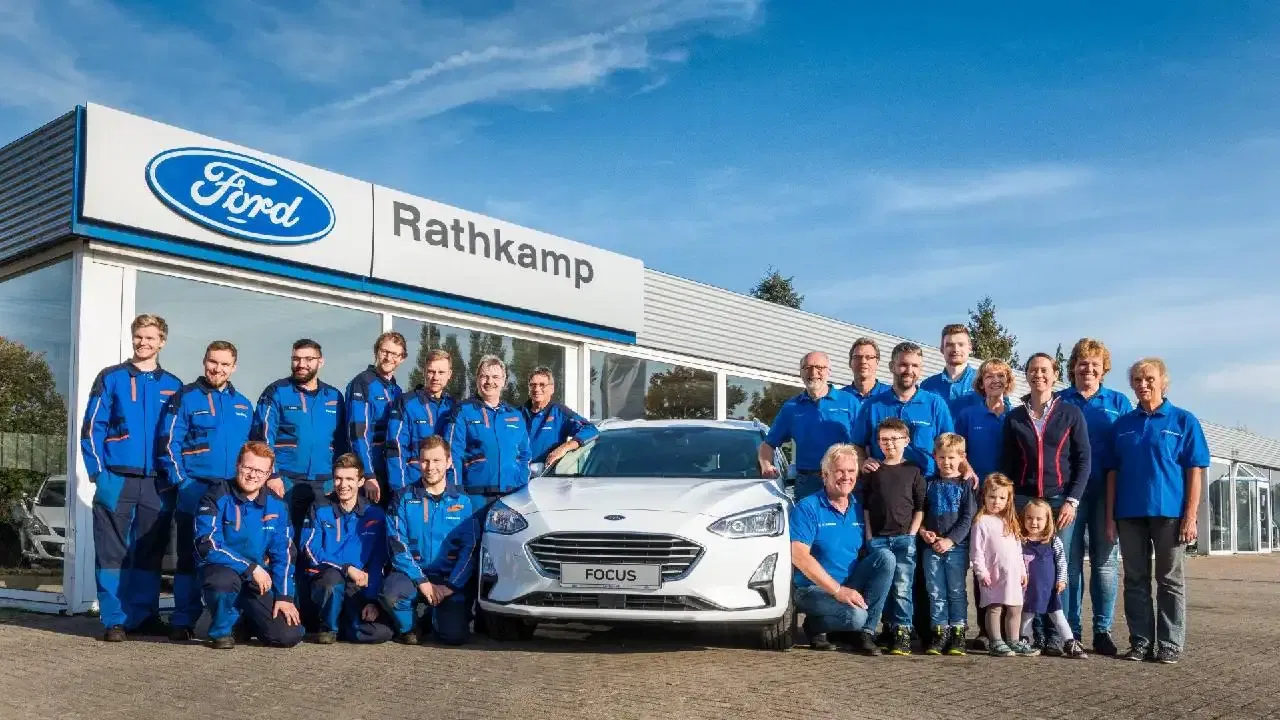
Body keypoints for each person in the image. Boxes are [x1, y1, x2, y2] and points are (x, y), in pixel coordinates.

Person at [80, 313, 183, 642]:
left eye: (150, 337)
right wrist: (98, 473)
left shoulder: (174, 386)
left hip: (157, 483)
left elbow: (180, 435)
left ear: (162, 342)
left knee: (149, 551)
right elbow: (92, 427)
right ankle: (115, 620)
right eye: (139, 336)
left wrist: (175, 478)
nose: (143, 342)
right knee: (112, 552)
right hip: (117, 478)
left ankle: (144, 615)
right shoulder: (111, 377)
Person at [1106, 358, 1208, 665]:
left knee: (1169, 581)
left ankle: (1169, 643)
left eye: (1149, 378)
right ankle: (1140, 641)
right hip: (1129, 514)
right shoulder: (1122, 425)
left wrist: (1190, 516)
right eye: (1137, 380)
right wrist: (1110, 517)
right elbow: (1112, 473)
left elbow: (1195, 471)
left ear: (1163, 381)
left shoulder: (1183, 421)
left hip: (1169, 515)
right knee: (1135, 580)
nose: (1143, 384)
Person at [156, 340, 254, 642]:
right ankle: (183, 619)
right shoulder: (185, 397)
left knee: (230, 555)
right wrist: (182, 482)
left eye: (225, 364)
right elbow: (168, 442)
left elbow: (252, 452)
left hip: (232, 494)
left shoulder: (243, 405)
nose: (218, 369)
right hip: (195, 489)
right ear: (204, 362)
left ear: (234, 367)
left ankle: (230, 621)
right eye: (213, 362)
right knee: (190, 556)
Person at [999, 351, 1090, 654]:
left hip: (1059, 500)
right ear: (1026, 375)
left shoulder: (1071, 413)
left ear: (1055, 375)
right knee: (1026, 567)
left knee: (1056, 567)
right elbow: (1007, 463)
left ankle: (1056, 635)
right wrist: (1010, 504)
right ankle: (1030, 633)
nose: (1039, 375)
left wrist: (1072, 501)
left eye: (1044, 370)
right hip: (1024, 501)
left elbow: (1083, 460)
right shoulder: (1015, 417)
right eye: (1033, 370)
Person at [1055, 338, 1132, 656]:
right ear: (1073, 367)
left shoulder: (1118, 402)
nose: (1088, 369)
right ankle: (1070, 630)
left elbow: (1127, 448)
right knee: (1068, 564)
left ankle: (1102, 631)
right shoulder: (1059, 401)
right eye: (1082, 363)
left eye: (1095, 364)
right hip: (1068, 494)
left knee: (1105, 563)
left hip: (1106, 493)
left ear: (1104, 369)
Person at [194, 441, 303, 650]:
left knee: (288, 635)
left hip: (258, 579)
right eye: (248, 468)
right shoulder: (216, 495)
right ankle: (222, 630)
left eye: (260, 471)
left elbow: (284, 553)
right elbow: (207, 545)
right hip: (224, 571)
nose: (253, 475)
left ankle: (248, 620)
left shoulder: (277, 505)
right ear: (238, 465)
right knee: (222, 582)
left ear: (269, 474)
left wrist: (284, 596)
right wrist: (250, 567)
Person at [789, 443, 894, 656]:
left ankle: (865, 633)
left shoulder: (859, 508)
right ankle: (815, 626)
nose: (846, 477)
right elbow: (798, 555)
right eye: (839, 471)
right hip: (813, 589)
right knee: (855, 617)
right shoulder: (808, 507)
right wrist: (837, 591)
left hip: (849, 583)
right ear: (825, 475)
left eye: (851, 471)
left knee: (886, 558)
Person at [382, 436, 478, 645]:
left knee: (454, 637)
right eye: (425, 461)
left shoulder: (463, 501)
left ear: (449, 462)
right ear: (418, 462)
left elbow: (469, 550)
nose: (430, 467)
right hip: (411, 575)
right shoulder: (402, 498)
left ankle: (433, 618)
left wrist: (451, 585)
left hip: (447, 579)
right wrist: (421, 581)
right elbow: (396, 545)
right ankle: (411, 627)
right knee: (392, 594)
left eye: (436, 460)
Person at [252, 338, 346, 533]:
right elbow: (262, 437)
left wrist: (337, 478)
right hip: (285, 481)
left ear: (321, 362)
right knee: (284, 537)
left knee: (321, 538)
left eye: (308, 359)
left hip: (325, 483)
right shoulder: (276, 392)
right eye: (296, 359)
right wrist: (272, 475)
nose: (301, 364)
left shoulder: (334, 396)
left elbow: (343, 442)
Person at [298, 453, 393, 645]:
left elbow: (379, 559)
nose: (343, 484)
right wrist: (346, 568)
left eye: (349, 479)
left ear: (361, 481)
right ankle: (328, 627)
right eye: (338, 478)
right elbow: (308, 549)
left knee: (381, 633)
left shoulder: (375, 514)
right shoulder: (319, 508)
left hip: (358, 585)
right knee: (332, 582)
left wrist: (372, 600)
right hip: (326, 579)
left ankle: (346, 626)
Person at [858, 417, 926, 656]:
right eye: (884, 440)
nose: (889, 444)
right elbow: (867, 507)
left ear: (906, 440)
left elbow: (920, 507)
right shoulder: (874, 472)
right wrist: (869, 536)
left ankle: (903, 632)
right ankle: (887, 629)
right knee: (883, 588)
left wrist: (911, 535)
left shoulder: (913, 470)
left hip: (903, 539)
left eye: (895, 439)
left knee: (902, 587)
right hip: (878, 539)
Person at [757, 351, 860, 501]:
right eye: (808, 368)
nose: (813, 372)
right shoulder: (792, 407)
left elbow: (865, 441)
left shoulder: (849, 402)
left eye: (820, 368)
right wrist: (766, 465)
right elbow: (768, 445)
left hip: (844, 480)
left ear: (829, 371)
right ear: (801, 372)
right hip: (808, 484)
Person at [853, 342, 955, 477]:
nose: (909, 370)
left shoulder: (935, 404)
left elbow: (951, 446)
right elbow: (856, 445)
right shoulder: (872, 406)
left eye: (915, 366)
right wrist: (863, 461)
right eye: (903, 365)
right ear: (891, 367)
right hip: (883, 483)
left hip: (926, 484)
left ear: (920, 369)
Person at [919, 433, 976, 656]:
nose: (947, 462)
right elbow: (921, 512)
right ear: (935, 457)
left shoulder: (966, 484)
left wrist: (950, 540)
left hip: (956, 547)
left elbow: (967, 518)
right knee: (935, 591)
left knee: (956, 590)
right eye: (942, 457)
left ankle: (958, 631)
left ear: (962, 457)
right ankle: (939, 631)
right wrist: (923, 531)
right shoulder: (928, 483)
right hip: (931, 547)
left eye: (952, 457)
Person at [970, 473, 1033, 657]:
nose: (996, 502)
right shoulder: (981, 522)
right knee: (995, 607)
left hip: (1012, 575)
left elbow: (1018, 550)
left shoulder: (1010, 521)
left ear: (1008, 499)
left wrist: (1022, 571)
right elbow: (976, 551)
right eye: (992, 497)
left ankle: (1013, 640)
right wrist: (981, 572)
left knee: (1015, 607)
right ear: (984, 496)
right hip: (993, 575)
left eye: (1002, 498)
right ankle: (995, 641)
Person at [344, 331, 407, 506]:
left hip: (390, 471)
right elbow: (358, 433)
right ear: (376, 351)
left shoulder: (396, 390)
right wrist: (368, 474)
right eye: (384, 351)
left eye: (395, 354)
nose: (388, 358)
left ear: (402, 358)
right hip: (371, 472)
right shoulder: (363, 383)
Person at [385, 348, 458, 499]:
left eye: (441, 372)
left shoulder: (454, 407)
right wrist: (400, 489)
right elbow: (395, 447)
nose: (435, 377)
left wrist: (454, 488)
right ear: (424, 372)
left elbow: (456, 452)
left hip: (444, 488)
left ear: (449, 374)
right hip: (413, 485)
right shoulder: (406, 403)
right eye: (431, 371)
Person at [1020, 499, 1087, 658]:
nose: (1034, 522)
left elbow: (1062, 562)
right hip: (1028, 589)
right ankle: (1025, 641)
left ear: (1047, 520)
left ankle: (1070, 642)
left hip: (1049, 589)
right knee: (1026, 616)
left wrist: (1062, 580)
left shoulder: (1053, 541)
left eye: (1039, 519)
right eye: (1029, 518)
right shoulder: (1020, 541)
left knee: (1058, 616)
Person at [521, 366, 598, 466]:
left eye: (542, 385)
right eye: (533, 385)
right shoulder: (517, 414)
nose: (537, 389)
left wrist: (565, 448)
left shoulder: (560, 413)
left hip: (545, 473)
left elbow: (590, 429)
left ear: (551, 389)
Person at [954, 358, 1014, 483]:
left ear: (1007, 382)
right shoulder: (967, 415)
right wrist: (968, 470)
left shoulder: (1016, 416)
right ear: (981, 383)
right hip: (975, 486)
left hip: (1006, 489)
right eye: (989, 376)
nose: (996, 380)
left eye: (1001, 376)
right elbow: (957, 450)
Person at [920, 324, 979, 417]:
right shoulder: (927, 386)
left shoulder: (983, 381)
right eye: (950, 345)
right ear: (942, 349)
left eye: (961, 344)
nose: (955, 349)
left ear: (970, 348)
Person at [843, 337, 891, 407]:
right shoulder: (839, 398)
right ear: (850, 363)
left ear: (877, 362)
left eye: (868, 357)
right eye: (857, 357)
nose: (863, 361)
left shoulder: (892, 395)